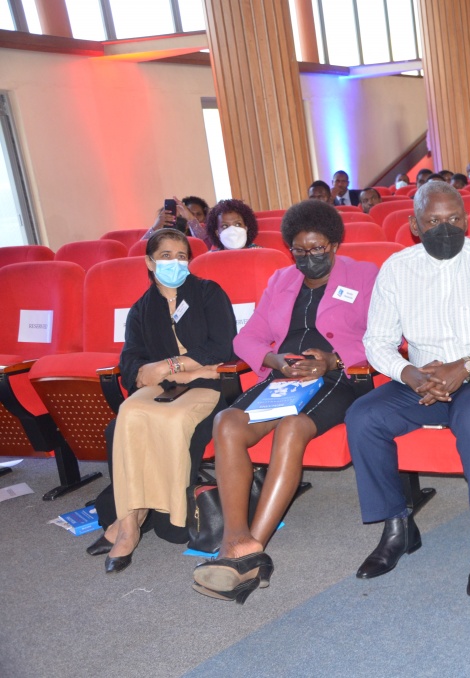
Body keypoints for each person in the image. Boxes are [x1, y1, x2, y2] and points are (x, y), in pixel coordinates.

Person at [346, 181, 470, 597]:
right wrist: (410, 374)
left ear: (467, 221)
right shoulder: (397, 269)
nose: (445, 228)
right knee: (363, 416)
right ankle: (398, 528)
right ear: (414, 225)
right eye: (433, 221)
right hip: (423, 380)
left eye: (454, 219)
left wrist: (465, 366)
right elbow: (377, 342)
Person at [191, 200, 377, 603]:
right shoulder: (281, 280)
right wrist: (273, 359)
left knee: (292, 428)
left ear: (335, 243)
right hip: (284, 377)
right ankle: (235, 539)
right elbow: (247, 337)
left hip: (336, 377)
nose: (309, 257)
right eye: (299, 250)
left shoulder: (365, 276)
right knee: (226, 422)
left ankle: (251, 549)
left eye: (318, 248)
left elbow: (385, 336)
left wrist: (332, 359)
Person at [88, 228, 236, 573]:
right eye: (166, 256)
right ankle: (130, 523)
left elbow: (223, 347)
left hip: (209, 387)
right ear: (150, 262)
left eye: (182, 256)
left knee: (171, 420)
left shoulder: (208, 293)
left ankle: (149, 514)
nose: (175, 262)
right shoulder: (141, 309)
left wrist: (168, 367)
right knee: (128, 414)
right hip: (166, 387)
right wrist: (167, 372)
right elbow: (131, 362)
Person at [143, 196, 213, 248]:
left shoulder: (195, 237)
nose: (174, 220)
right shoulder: (157, 240)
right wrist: (155, 227)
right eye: (169, 217)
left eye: (180, 217)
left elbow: (206, 246)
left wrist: (191, 219)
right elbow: (140, 250)